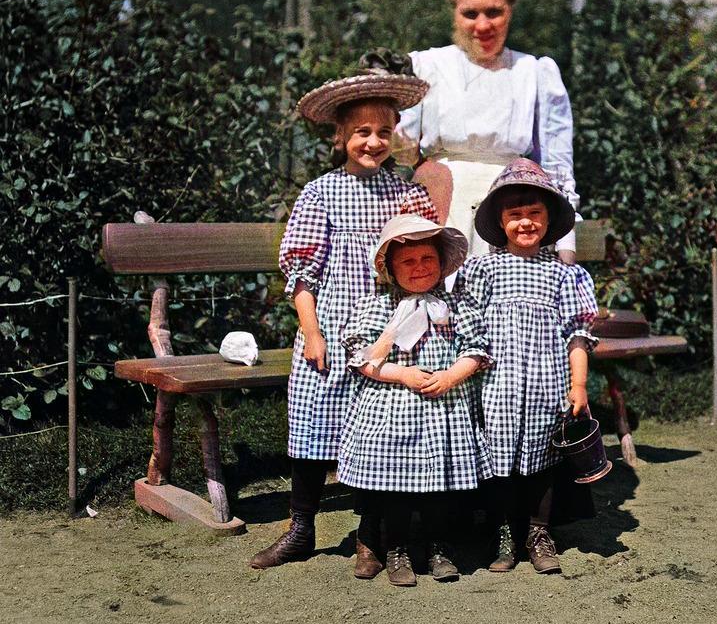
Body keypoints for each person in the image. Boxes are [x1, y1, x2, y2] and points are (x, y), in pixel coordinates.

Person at [249, 58, 437, 572]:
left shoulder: (409, 192)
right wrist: (312, 333)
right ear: (340, 137)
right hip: (330, 323)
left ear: (396, 134)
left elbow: (423, 262)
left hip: (390, 327)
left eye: (382, 132)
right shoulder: (321, 192)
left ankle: (372, 534)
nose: (373, 142)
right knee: (313, 423)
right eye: (360, 133)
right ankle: (302, 527)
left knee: (378, 428)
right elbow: (302, 274)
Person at [455, 158, 598, 576]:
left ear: (549, 219)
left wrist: (579, 384)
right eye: (515, 215)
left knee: (542, 461)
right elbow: (467, 322)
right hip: (496, 384)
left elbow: (578, 334)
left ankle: (538, 532)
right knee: (498, 460)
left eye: (534, 214)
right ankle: (503, 533)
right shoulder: (481, 269)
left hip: (545, 384)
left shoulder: (564, 275)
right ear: (500, 222)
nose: (525, 223)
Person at [337, 214, 493, 586]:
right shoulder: (377, 305)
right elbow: (360, 357)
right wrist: (401, 373)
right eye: (407, 261)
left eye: (427, 260)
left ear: (441, 263)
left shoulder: (454, 306)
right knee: (395, 489)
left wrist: (452, 375)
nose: (419, 268)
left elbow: (477, 349)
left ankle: (440, 548)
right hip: (393, 407)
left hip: (444, 410)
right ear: (390, 268)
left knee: (442, 488)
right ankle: (396, 548)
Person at [397, 0, 580, 263]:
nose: (483, 26)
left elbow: (556, 169)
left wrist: (565, 247)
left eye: (494, 12)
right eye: (470, 14)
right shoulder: (425, 67)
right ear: (454, 11)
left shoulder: (534, 73)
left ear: (510, 9)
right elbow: (399, 154)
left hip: (513, 215)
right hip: (439, 208)